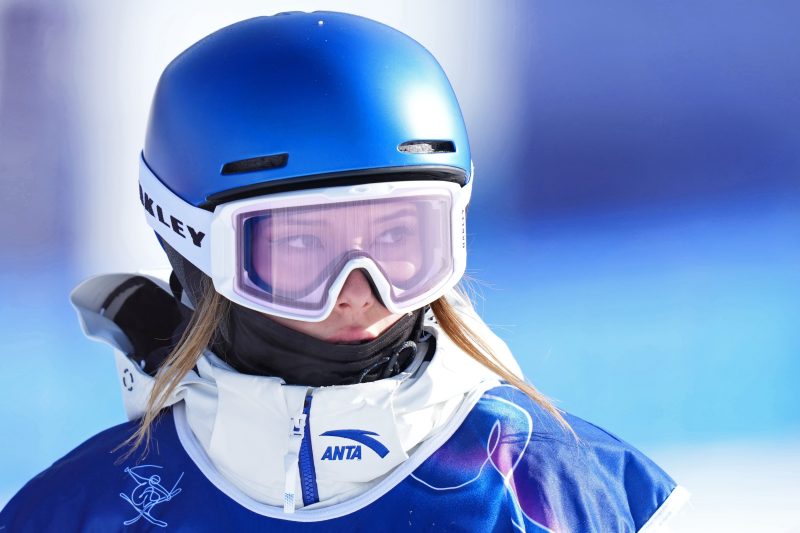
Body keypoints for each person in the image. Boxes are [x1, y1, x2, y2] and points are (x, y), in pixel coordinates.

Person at [0, 11, 688, 532]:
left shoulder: (579, 498)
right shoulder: (77, 515)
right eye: (302, 247)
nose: (359, 293)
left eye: (399, 238)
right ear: (196, 244)